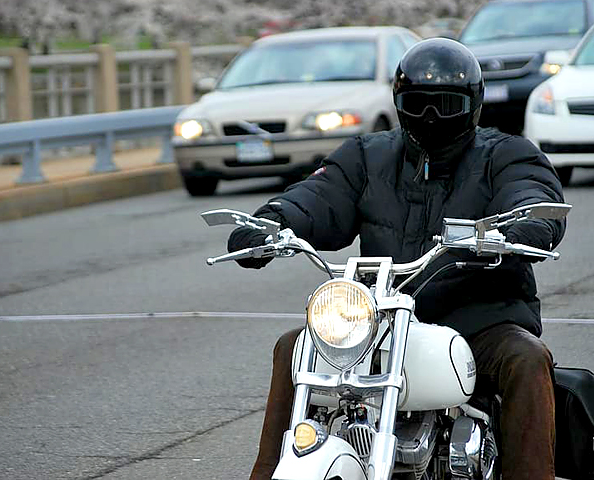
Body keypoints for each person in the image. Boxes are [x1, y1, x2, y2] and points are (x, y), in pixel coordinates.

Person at [228, 38, 566, 480]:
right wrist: (271, 223)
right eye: (418, 103)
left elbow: (533, 194)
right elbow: (317, 197)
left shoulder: (506, 154)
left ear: (471, 104)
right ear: (400, 103)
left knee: (526, 357)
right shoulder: (368, 156)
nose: (431, 116)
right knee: (296, 346)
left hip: (481, 319)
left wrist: (518, 229)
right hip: (382, 321)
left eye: (445, 104)